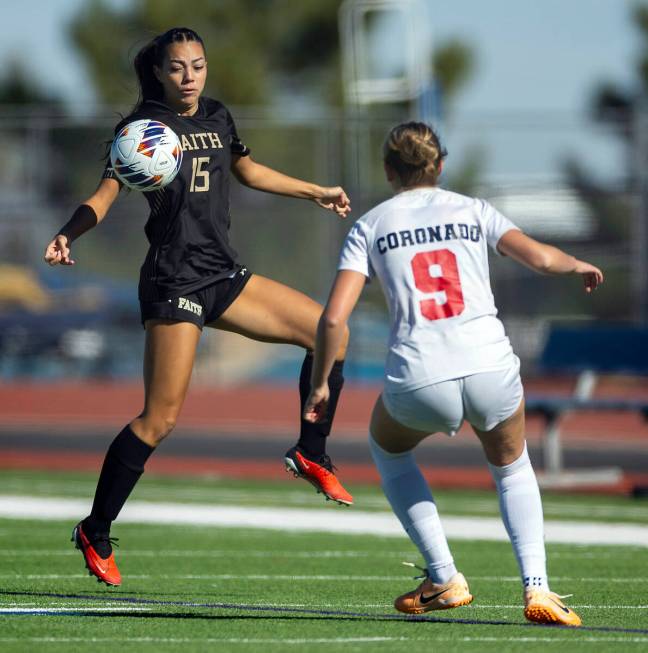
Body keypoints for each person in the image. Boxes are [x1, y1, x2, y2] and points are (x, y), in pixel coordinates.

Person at [43, 27, 354, 588]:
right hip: (174, 281)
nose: (190, 77)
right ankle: (96, 528)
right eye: (178, 68)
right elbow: (103, 197)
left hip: (223, 274)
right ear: (158, 73)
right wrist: (69, 232)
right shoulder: (140, 133)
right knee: (159, 419)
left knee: (328, 332)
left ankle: (311, 452)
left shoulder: (216, 115)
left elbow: (248, 171)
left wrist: (315, 191)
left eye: (199, 66)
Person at [303, 121, 604, 627]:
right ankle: (539, 588)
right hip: (489, 366)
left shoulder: (371, 224)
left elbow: (333, 318)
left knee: (389, 449)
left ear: (388, 171)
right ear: (440, 165)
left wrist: (319, 383)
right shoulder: (473, 209)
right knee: (511, 466)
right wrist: (576, 264)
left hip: (419, 376)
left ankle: (443, 575)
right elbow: (540, 256)